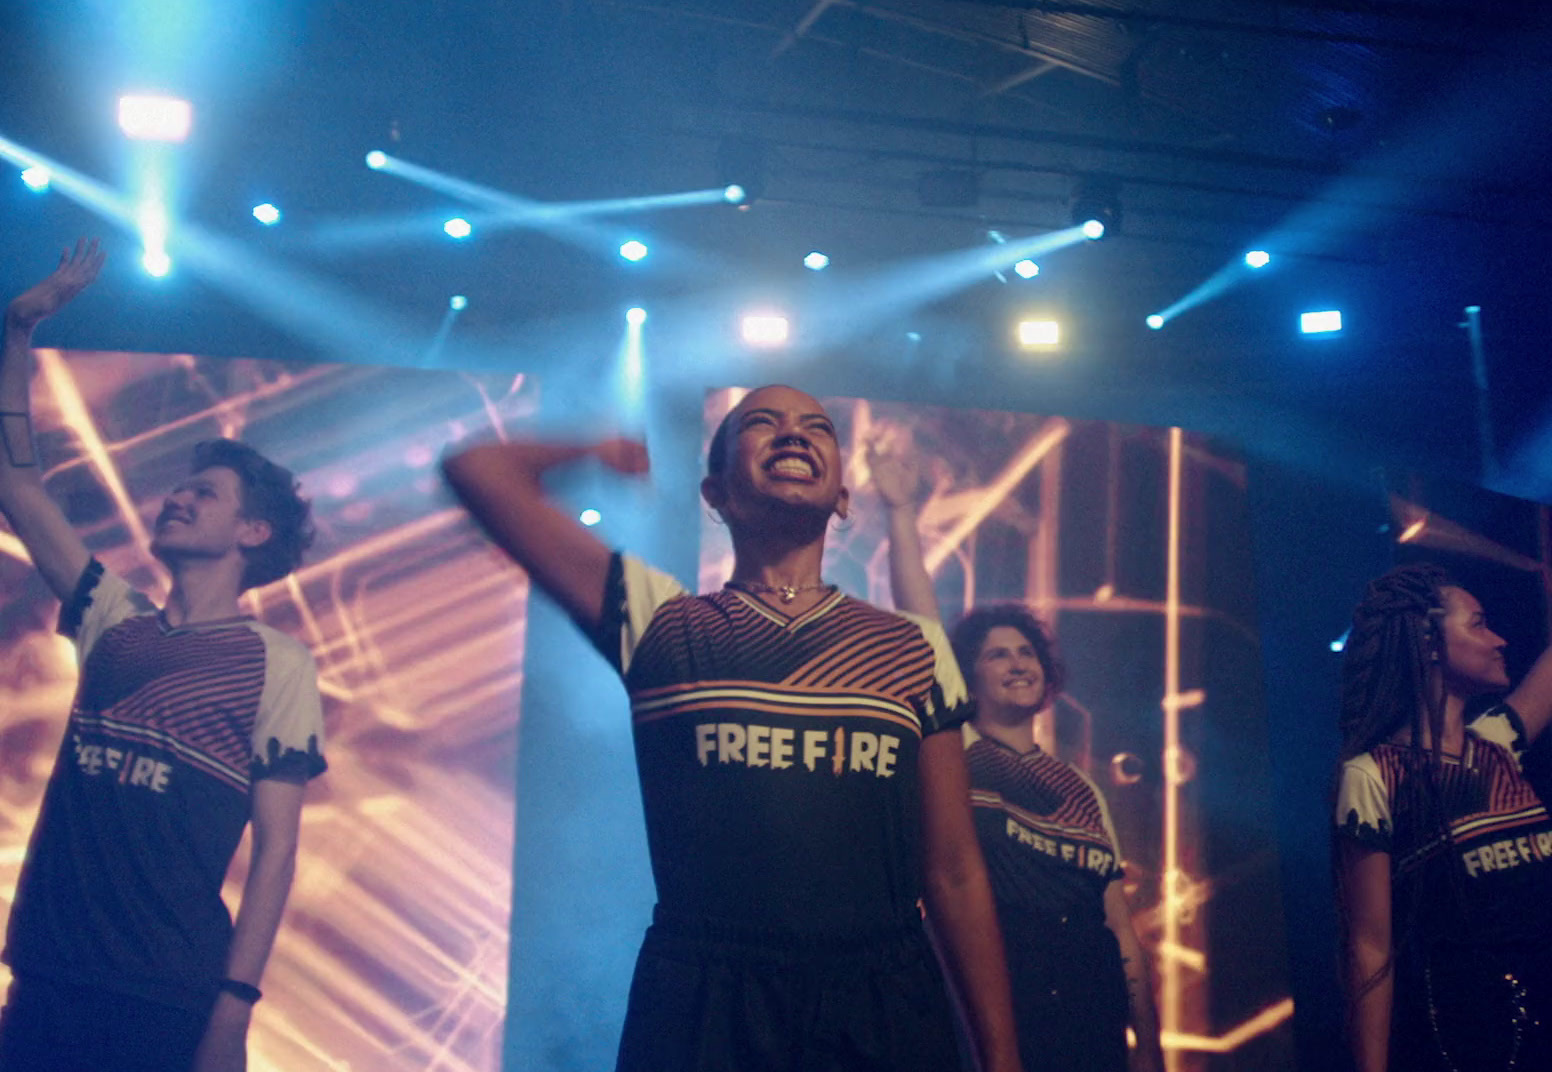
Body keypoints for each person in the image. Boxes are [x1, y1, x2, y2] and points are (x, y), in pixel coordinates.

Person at [441, 385, 1023, 1072]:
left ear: (842, 496)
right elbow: (480, 470)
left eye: (816, 428)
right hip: (706, 1000)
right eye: (762, 424)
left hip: (882, 1002)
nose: (793, 435)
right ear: (713, 493)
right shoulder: (660, 622)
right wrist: (592, 448)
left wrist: (1002, 1057)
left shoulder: (911, 648)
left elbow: (954, 870)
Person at [0, 241, 327, 1072]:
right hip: (45, 976)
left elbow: (277, 851)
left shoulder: (276, 663)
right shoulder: (112, 613)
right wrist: (17, 336)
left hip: (161, 997)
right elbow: (16, 485)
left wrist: (233, 1014)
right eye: (182, 488)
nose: (177, 496)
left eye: (205, 493)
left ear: (253, 532)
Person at [872, 446, 1164, 1072]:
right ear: (965, 677)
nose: (1019, 662)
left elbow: (1119, 927)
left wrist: (1150, 1047)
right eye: (999, 654)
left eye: (1027, 652)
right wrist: (900, 513)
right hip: (992, 1019)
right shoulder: (957, 755)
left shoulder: (1080, 787)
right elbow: (922, 629)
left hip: (1090, 1023)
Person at [1334, 562, 1552, 1072]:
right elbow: (1370, 948)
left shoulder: (1499, 743)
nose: (1499, 639)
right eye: (1478, 624)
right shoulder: (1374, 776)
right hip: (1475, 1036)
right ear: (1428, 642)